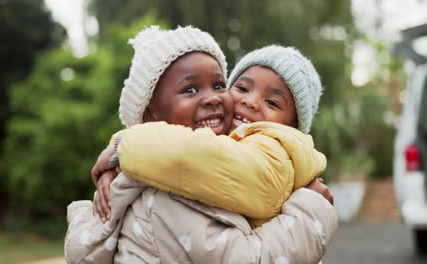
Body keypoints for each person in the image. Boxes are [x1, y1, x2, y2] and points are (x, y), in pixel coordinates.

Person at [65, 26, 337, 264]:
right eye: (241, 88)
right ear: (150, 115)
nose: (250, 102)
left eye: (219, 85)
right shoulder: (171, 188)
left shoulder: (265, 153)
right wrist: (310, 211)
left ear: (292, 126)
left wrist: (121, 149)